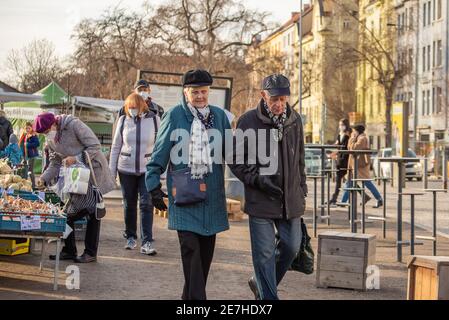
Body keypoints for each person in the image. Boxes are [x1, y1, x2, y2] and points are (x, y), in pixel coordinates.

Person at [146, 69, 231, 300]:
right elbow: (159, 153)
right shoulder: (174, 116)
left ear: (209, 92)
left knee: (202, 265)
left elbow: (233, 154)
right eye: (195, 92)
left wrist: (256, 177)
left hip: (211, 200)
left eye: (204, 91)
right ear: (186, 92)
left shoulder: (220, 117)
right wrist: (153, 185)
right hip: (184, 197)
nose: (200, 96)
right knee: (191, 255)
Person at [229, 74, 307, 300]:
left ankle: (258, 281)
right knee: (263, 255)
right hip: (260, 199)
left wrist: (302, 189)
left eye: (283, 99)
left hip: (290, 200)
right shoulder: (248, 121)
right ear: (263, 95)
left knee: (292, 247)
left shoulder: (295, 120)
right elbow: (235, 160)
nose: (279, 104)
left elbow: (300, 158)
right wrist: (257, 179)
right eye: (275, 99)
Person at [34, 112, 116, 263]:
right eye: (43, 133)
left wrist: (77, 158)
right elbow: (55, 163)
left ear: (54, 124)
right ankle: (70, 250)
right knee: (65, 214)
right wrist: (43, 178)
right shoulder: (51, 140)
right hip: (75, 177)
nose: (47, 135)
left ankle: (90, 253)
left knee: (92, 212)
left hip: (92, 173)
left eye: (47, 131)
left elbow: (95, 145)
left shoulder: (73, 125)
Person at [109, 93, 160, 255]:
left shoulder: (154, 120)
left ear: (142, 106)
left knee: (147, 204)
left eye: (135, 107)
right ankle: (130, 236)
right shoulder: (123, 121)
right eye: (129, 108)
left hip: (148, 170)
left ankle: (147, 242)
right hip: (126, 170)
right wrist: (112, 171)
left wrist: (161, 172)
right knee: (129, 204)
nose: (132, 110)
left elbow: (160, 145)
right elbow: (116, 146)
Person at [340, 124, 383, 208]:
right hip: (354, 165)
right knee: (350, 182)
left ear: (357, 131)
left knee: (366, 183)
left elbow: (354, 148)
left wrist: (351, 139)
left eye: (354, 131)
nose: (353, 133)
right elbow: (350, 148)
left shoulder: (362, 138)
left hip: (360, 165)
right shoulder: (358, 138)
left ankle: (379, 199)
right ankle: (343, 201)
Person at [327, 119, 353, 205]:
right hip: (340, 160)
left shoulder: (348, 135)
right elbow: (337, 145)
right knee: (349, 181)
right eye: (339, 125)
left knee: (342, 180)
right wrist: (331, 151)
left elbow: (344, 148)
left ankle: (334, 198)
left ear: (346, 125)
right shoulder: (340, 135)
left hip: (344, 160)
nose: (340, 126)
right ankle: (334, 198)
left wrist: (335, 153)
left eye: (342, 124)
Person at [18, 122, 40, 189]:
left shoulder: (33, 135)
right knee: (24, 170)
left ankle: (33, 185)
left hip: (31, 155)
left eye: (29, 128)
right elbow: (21, 145)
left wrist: (28, 144)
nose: (27, 129)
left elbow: (37, 144)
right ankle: (24, 185)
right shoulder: (24, 135)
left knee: (30, 170)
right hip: (25, 155)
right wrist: (21, 153)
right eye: (26, 128)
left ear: (31, 128)